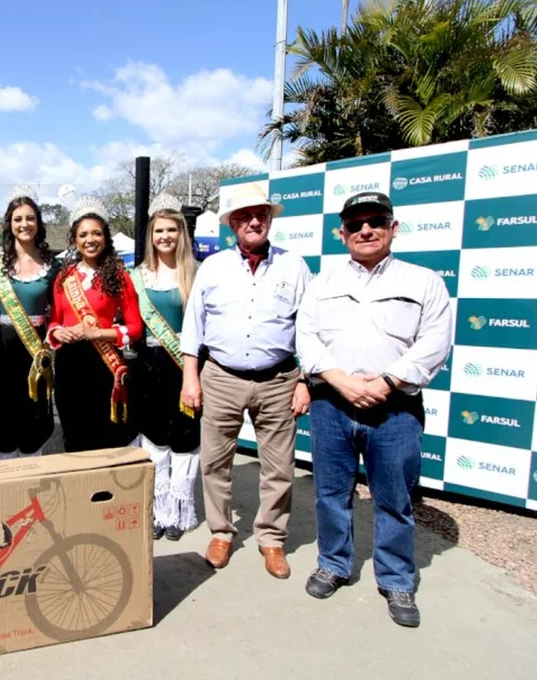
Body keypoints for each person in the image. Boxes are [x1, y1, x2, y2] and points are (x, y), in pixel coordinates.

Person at [296, 192, 451, 628]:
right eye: (356, 223)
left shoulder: (423, 282)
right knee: (330, 493)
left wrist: (385, 383)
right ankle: (334, 563)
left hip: (395, 409)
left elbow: (435, 342)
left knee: (394, 499)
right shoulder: (321, 283)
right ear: (342, 233)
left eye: (376, 221)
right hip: (331, 403)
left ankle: (397, 577)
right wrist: (343, 382)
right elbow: (306, 338)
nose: (366, 230)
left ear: (393, 227)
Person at [180, 183, 311, 579]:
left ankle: (271, 539)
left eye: (261, 215)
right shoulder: (214, 267)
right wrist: (191, 378)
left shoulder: (295, 266)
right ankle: (221, 531)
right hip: (220, 376)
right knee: (216, 462)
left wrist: (305, 380)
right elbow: (194, 327)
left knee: (279, 466)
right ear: (232, 224)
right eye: (244, 216)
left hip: (279, 379)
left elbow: (310, 328)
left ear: (270, 220)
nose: (254, 222)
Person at [129, 194, 201, 541]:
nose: (165, 236)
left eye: (172, 229)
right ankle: (159, 510)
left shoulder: (196, 273)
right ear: (151, 235)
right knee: (154, 438)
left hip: (185, 365)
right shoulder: (138, 275)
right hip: (148, 366)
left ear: (181, 233)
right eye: (159, 230)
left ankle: (180, 510)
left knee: (184, 438)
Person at [48, 197, 141, 452]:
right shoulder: (64, 278)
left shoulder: (120, 276)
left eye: (96, 233)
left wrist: (96, 332)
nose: (90, 240)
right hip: (70, 366)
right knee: (74, 434)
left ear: (105, 237)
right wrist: (59, 332)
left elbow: (135, 329)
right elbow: (54, 320)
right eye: (83, 234)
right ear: (75, 240)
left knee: (106, 436)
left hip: (105, 365)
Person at [0, 185, 57, 459]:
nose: (25, 224)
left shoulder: (52, 265)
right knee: (2, 423)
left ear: (38, 223)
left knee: (34, 421)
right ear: (9, 224)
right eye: (18, 219)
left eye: (30, 218)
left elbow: (58, 312)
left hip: (35, 355)